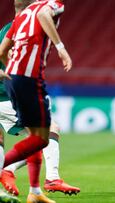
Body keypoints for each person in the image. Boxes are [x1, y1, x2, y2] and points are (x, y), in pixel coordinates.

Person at [0, 1, 80, 198]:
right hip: (12, 92)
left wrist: (7, 70)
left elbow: (2, 52)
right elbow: (45, 14)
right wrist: (61, 47)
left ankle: (34, 190)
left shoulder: (10, 27)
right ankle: (36, 176)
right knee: (47, 131)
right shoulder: (43, 10)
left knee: (37, 135)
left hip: (11, 87)